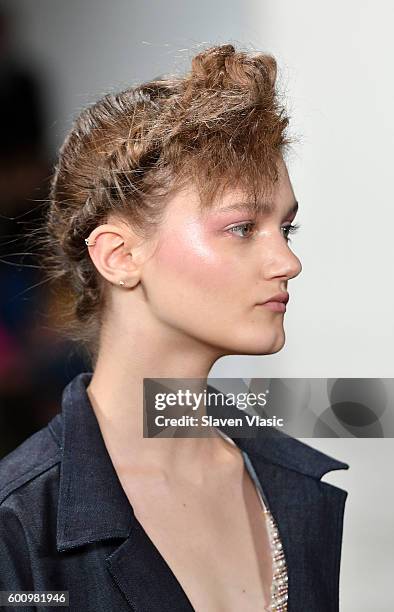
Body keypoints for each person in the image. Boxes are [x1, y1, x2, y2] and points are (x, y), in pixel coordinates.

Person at [0, 44, 348, 611]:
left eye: (287, 228)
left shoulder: (291, 482)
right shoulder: (18, 531)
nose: (288, 261)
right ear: (117, 255)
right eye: (241, 227)